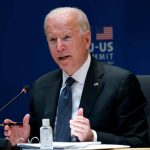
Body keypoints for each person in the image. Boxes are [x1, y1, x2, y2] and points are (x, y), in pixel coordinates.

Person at [3, 7, 148, 147]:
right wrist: (25, 140)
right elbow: (41, 142)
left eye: (66, 37)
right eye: (53, 39)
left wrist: (93, 136)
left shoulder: (120, 83)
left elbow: (139, 142)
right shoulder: (41, 87)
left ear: (86, 39)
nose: (59, 47)